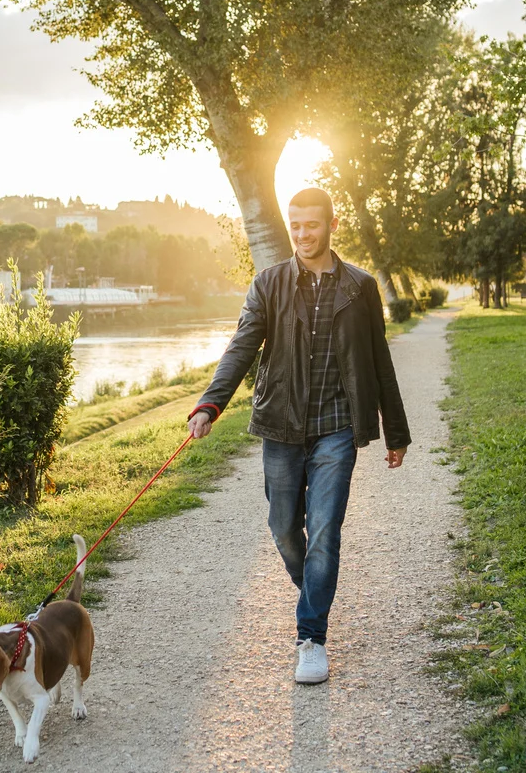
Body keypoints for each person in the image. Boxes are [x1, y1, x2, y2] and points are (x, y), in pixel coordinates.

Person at [186, 187, 410, 686]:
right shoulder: (268, 284)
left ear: (332, 225)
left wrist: (395, 431)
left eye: (312, 225)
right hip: (282, 426)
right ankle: (315, 586)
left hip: (336, 429)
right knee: (286, 529)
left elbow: (379, 362)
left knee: (324, 532)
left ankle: (311, 637)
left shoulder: (361, 287)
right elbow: (241, 347)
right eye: (296, 226)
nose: (303, 234)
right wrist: (210, 403)